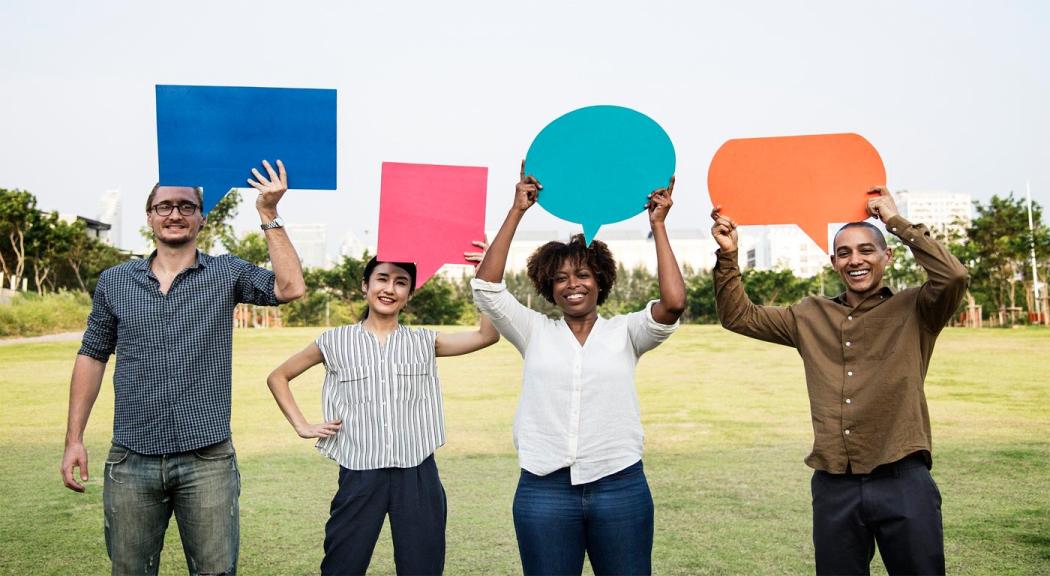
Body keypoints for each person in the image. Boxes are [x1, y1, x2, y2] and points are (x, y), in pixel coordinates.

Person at [60, 160, 306, 575]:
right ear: (150, 216)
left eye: (186, 206)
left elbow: (291, 287)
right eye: (164, 206)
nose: (175, 214)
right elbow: (92, 355)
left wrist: (268, 213)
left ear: (201, 218)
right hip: (132, 457)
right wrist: (74, 438)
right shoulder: (115, 282)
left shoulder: (226, 272)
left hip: (206, 458)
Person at [710, 186, 968, 575]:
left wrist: (895, 222)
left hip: (903, 477)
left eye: (866, 249)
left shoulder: (918, 308)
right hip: (834, 485)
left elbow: (953, 276)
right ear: (834, 262)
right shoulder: (809, 315)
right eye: (844, 252)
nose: (855, 260)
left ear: (887, 256)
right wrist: (728, 256)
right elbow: (738, 317)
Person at [471, 162, 685, 575]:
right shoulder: (532, 330)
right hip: (543, 489)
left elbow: (673, 304)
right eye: (561, 278)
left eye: (583, 275)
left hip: (619, 485)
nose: (573, 284)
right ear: (548, 288)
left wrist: (657, 224)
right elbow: (486, 288)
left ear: (600, 281)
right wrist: (517, 210)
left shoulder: (627, 332)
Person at [267, 251, 500, 576]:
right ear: (365, 285)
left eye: (401, 282)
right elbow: (278, 377)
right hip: (359, 474)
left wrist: (483, 274)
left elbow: (487, 335)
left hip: (417, 474)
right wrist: (301, 425)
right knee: (341, 567)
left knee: (422, 568)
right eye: (382, 278)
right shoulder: (334, 341)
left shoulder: (424, 342)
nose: (390, 288)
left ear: (409, 294)